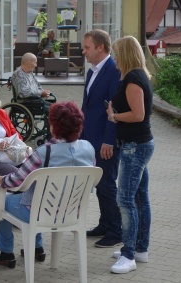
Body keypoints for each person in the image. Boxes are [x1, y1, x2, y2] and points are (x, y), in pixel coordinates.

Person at [0, 101, 95, 268]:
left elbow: (17, 181)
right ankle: (37, 249)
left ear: (53, 126)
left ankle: (6, 252)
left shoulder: (44, 152)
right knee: (35, 197)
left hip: (41, 212)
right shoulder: (88, 148)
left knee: (1, 201)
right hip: (73, 212)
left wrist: (2, 180)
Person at [107, 35, 155, 274]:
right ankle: (139, 249)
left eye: (116, 53)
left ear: (124, 54)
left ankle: (129, 255)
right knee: (139, 197)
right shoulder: (134, 76)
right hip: (137, 144)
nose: (114, 57)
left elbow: (138, 114)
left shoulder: (133, 79)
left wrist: (114, 116)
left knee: (125, 199)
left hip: (135, 146)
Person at [80, 29, 122, 248]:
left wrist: (109, 140)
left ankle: (116, 231)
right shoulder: (92, 71)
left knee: (106, 185)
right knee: (100, 184)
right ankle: (104, 224)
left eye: (87, 47)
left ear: (100, 47)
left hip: (105, 141)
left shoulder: (114, 70)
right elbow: (88, 106)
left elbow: (113, 109)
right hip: (91, 138)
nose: (83, 51)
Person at [11, 52, 55, 139]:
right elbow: (23, 92)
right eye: (35, 62)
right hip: (26, 102)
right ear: (28, 63)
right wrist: (40, 93)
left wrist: (43, 91)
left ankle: (52, 133)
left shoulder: (29, 72)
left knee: (56, 107)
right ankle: (50, 136)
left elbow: (37, 86)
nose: (36, 65)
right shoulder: (19, 74)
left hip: (35, 100)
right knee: (52, 110)